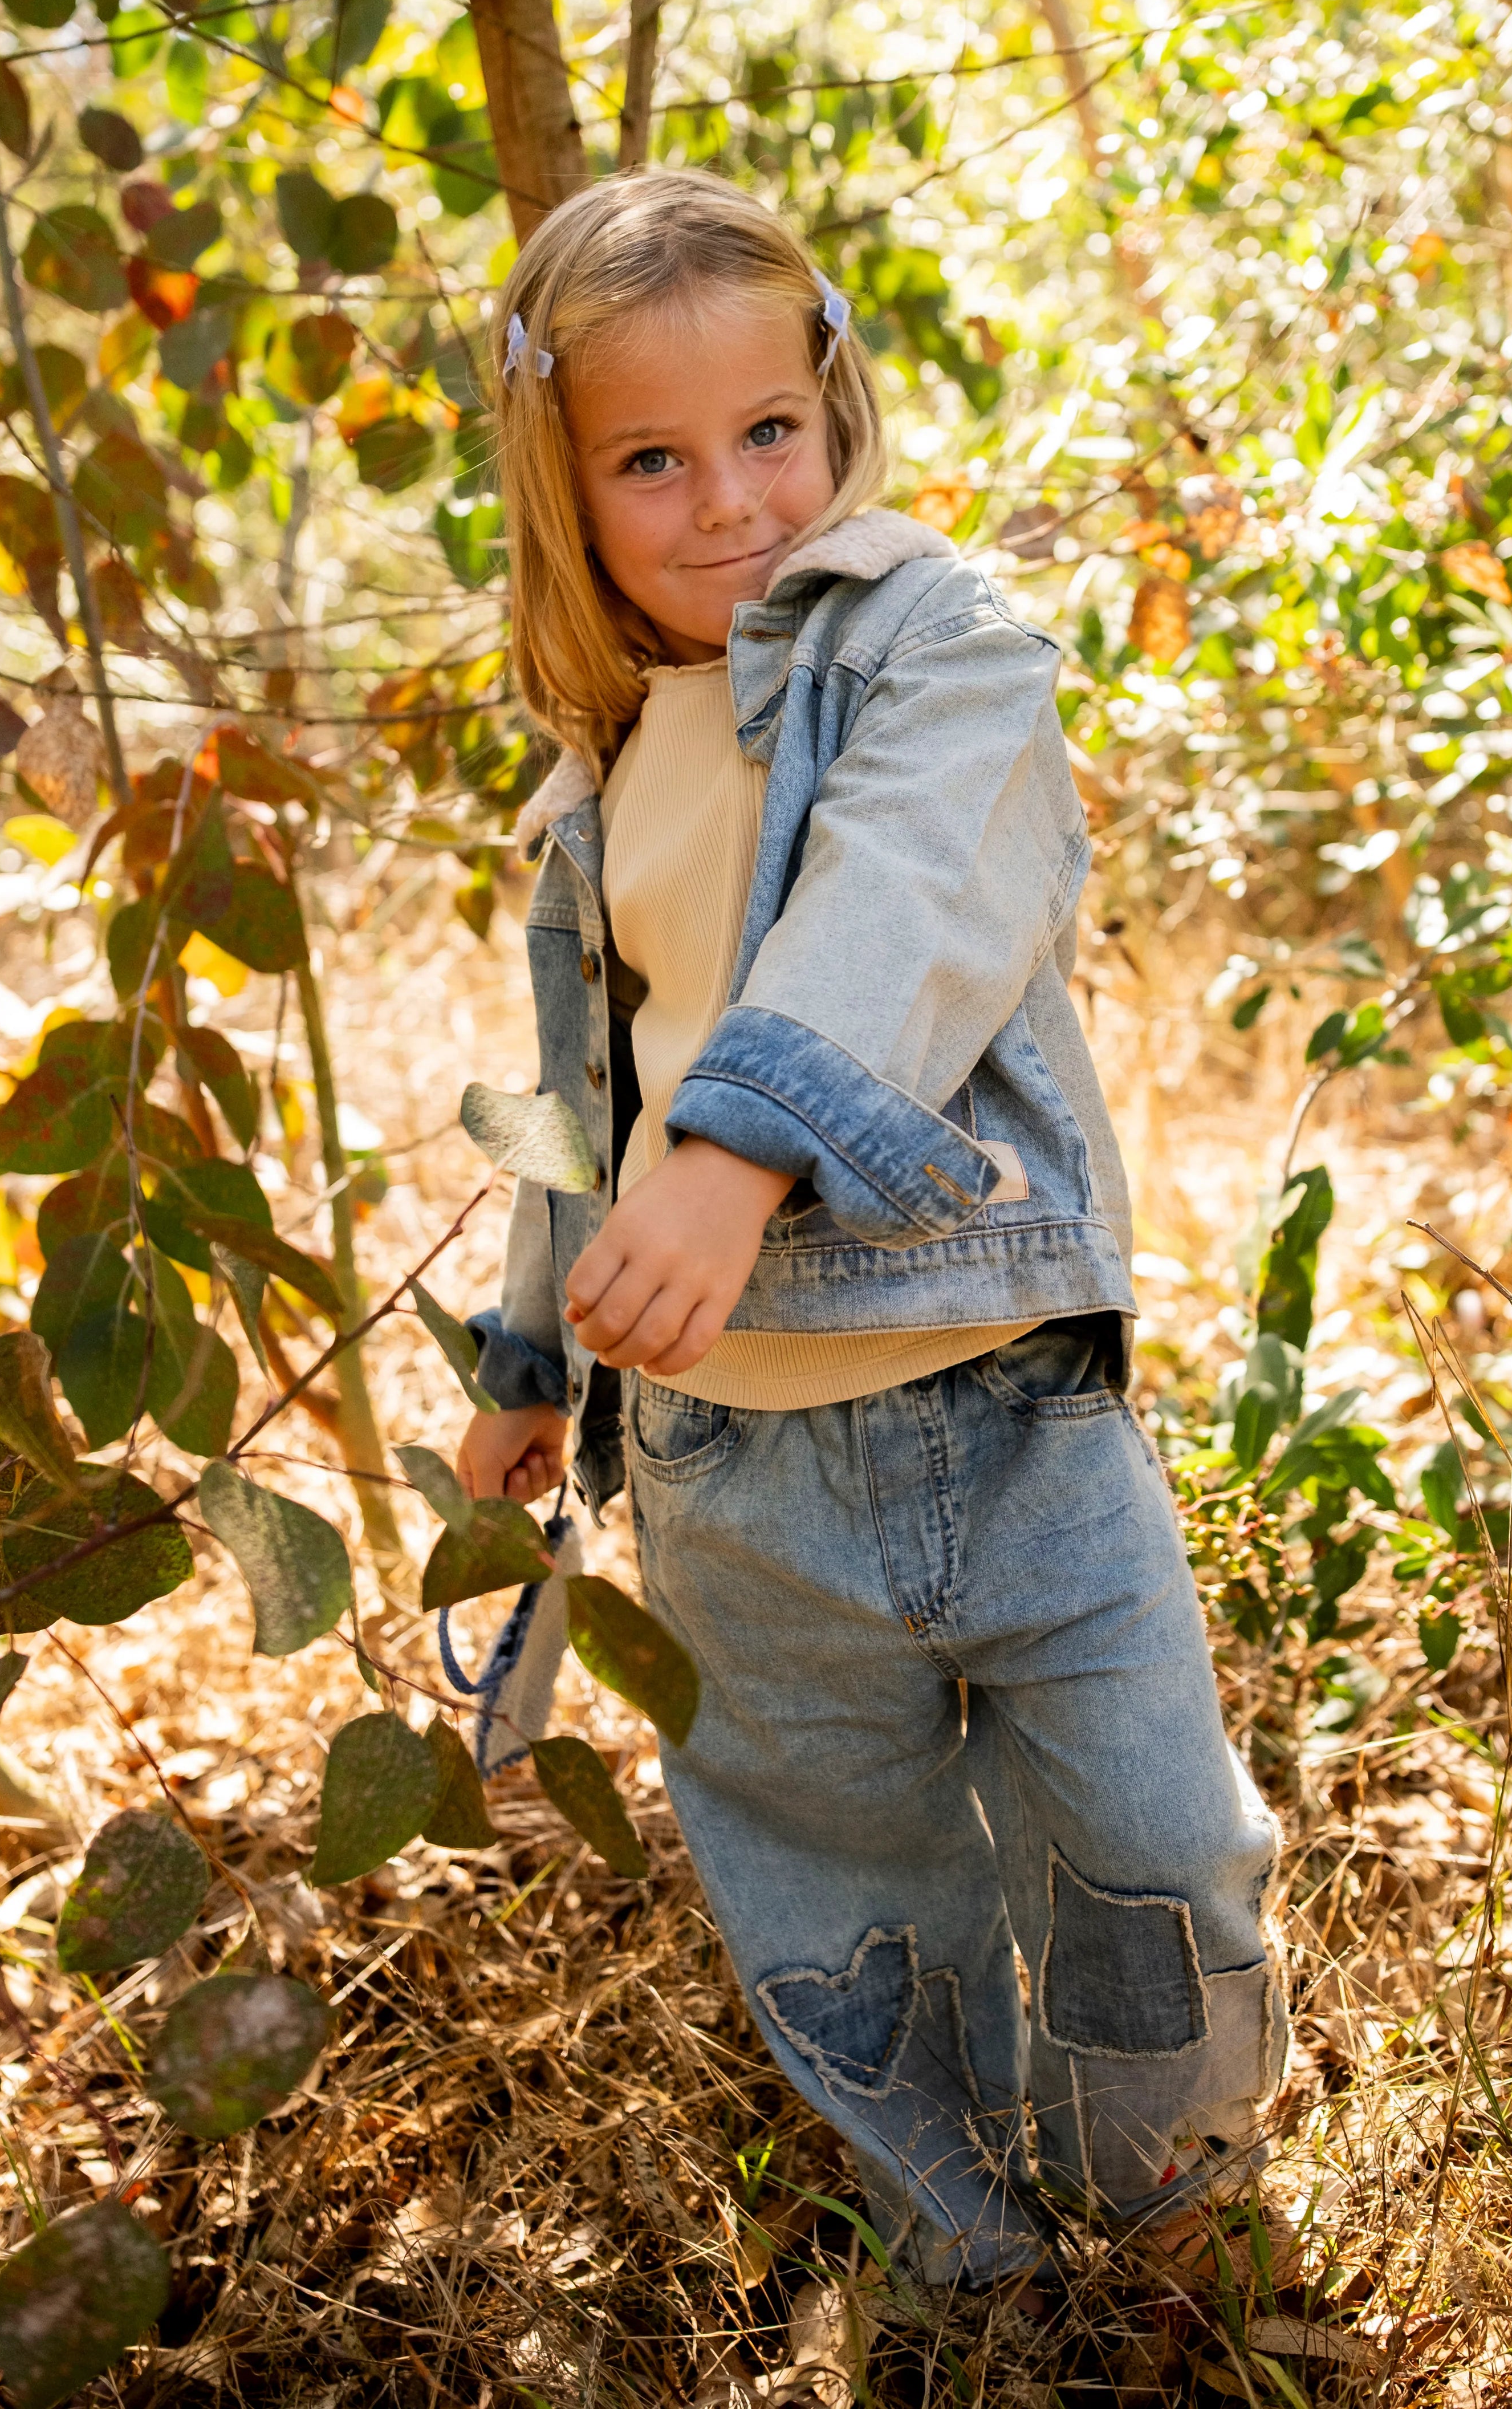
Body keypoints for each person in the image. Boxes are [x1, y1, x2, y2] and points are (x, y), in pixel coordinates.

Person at [457, 168, 1287, 2304]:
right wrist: (535, 1357)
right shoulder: (589, 778)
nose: (729, 497)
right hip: (734, 1472)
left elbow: (909, 902)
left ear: (836, 413)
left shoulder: (941, 642)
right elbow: (584, 1102)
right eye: (650, 456)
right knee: (835, 1871)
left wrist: (744, 1151)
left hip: (1007, 1401)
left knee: (1154, 1837)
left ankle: (1163, 2197)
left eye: (770, 431)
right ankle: (973, 2247)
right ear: (563, 486)